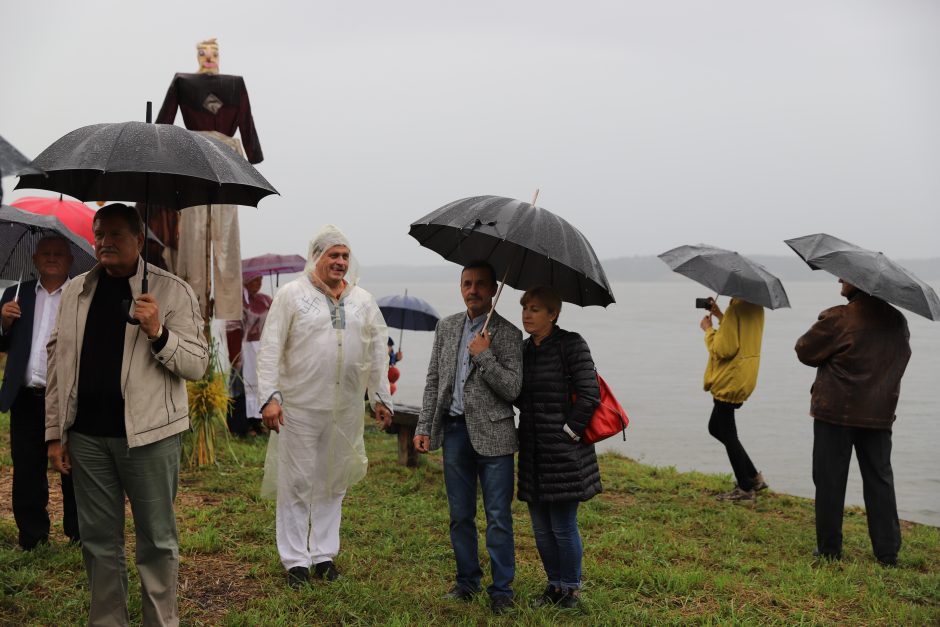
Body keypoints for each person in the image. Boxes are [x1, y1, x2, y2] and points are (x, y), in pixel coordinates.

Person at [45, 203, 209, 626]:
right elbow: (57, 363)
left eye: (117, 233)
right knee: (98, 542)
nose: (105, 241)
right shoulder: (76, 291)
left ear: (140, 240)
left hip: (151, 439)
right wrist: (54, 434)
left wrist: (158, 331)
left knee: (156, 541)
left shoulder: (172, 291)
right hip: (87, 440)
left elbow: (197, 364)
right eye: (100, 233)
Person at [256, 225, 393, 590]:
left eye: (345, 256)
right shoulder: (292, 296)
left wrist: (380, 398)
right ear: (316, 257)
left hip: (344, 408)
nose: (340, 262)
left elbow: (377, 351)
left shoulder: (362, 300)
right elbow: (270, 347)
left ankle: (323, 555)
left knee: (334, 481)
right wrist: (269, 396)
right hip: (299, 408)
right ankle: (295, 561)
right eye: (333, 255)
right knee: (297, 481)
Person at [413, 261, 523, 615]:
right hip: (455, 431)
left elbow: (513, 389)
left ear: (493, 290)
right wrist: (424, 426)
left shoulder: (508, 333)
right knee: (460, 514)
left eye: (479, 284)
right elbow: (434, 381)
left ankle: (501, 590)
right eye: (466, 283)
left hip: (495, 435)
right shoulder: (446, 328)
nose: (472, 290)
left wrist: (484, 356)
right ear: (460, 288)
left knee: (497, 516)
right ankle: (466, 582)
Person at [795, 279, 911, 566]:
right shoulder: (898, 320)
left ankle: (829, 549)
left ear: (858, 283)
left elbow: (804, 351)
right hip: (879, 412)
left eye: (844, 277)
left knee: (829, 479)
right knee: (880, 480)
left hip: (835, 412)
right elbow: (901, 358)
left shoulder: (839, 317)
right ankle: (887, 553)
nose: (838, 280)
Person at [516, 286, 601, 609]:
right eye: (525, 307)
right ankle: (554, 585)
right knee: (540, 528)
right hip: (533, 453)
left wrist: (568, 432)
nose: (527, 314)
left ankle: (571, 590)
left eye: (536, 308)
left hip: (565, 452)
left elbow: (590, 394)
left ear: (553, 314)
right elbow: (518, 396)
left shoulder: (572, 344)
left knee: (563, 526)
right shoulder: (524, 350)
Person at [0, 236, 79, 550]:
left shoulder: (79, 295)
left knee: (72, 467)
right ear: (33, 259)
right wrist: (3, 323)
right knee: (27, 468)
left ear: (70, 261)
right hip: (26, 397)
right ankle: (32, 536)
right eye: (45, 253)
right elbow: (3, 344)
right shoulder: (15, 295)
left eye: (58, 254)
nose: (51, 258)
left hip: (68, 398)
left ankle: (78, 534)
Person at [700, 297, 768, 501]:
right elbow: (739, 332)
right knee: (716, 428)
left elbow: (723, 349)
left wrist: (708, 330)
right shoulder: (755, 305)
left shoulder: (736, 308)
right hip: (744, 374)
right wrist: (722, 315)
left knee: (728, 433)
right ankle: (754, 478)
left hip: (730, 377)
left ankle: (746, 487)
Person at [225, 271, 272, 436]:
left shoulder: (265, 300)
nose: (258, 282)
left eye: (261, 279)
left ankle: (257, 421)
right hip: (244, 350)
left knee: (261, 386)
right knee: (241, 387)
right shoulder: (238, 302)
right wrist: (235, 354)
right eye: (255, 279)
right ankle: (240, 426)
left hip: (261, 349)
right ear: (246, 280)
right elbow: (232, 329)